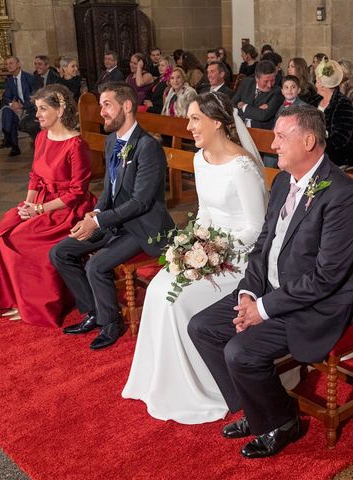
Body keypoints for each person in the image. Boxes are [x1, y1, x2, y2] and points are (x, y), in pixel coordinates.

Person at [187, 105, 353, 459]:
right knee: (202, 327)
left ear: (309, 140)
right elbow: (263, 244)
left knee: (238, 351)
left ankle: (284, 421)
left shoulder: (343, 196)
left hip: (315, 304)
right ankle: (258, 414)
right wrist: (248, 293)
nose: (274, 144)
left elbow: (327, 277)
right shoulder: (283, 180)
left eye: (282, 137)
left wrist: (264, 310)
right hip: (268, 289)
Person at [122, 92, 268, 423]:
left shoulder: (242, 167)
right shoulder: (200, 158)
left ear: (217, 122)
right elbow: (203, 211)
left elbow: (256, 228)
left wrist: (216, 252)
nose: (188, 126)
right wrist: (191, 244)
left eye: (195, 119)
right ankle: (159, 382)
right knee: (159, 289)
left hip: (238, 260)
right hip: (206, 251)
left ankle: (204, 386)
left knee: (177, 301)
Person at [50, 82, 174, 350]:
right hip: (114, 221)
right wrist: (96, 212)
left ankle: (111, 324)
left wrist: (97, 221)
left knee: (96, 266)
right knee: (60, 253)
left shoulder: (147, 147)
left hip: (142, 227)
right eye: (101, 105)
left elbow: (140, 202)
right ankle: (95, 312)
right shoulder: (111, 142)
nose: (101, 112)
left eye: (107, 105)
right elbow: (110, 188)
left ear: (127, 106)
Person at [0, 84, 97, 326]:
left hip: (67, 210)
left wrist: (39, 210)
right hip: (40, 202)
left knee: (21, 242)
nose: (36, 115)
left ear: (59, 111)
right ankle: (15, 297)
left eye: (42, 109)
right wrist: (27, 206)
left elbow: (77, 193)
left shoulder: (76, 145)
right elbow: (35, 176)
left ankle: (35, 305)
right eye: (36, 108)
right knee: (4, 230)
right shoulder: (41, 137)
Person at [314, 58, 353, 168]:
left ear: (323, 85)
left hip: (340, 157)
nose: (315, 84)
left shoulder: (343, 104)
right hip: (318, 153)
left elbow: (340, 139)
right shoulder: (314, 101)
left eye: (317, 81)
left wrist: (316, 146)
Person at [0, 56, 35, 157]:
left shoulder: (30, 78)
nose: (8, 66)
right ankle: (9, 139)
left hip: (30, 109)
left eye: (11, 63)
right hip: (17, 109)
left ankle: (10, 141)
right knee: (7, 111)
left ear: (18, 64)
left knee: (9, 116)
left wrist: (22, 105)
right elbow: (5, 97)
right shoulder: (9, 80)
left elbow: (35, 97)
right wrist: (12, 104)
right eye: (6, 64)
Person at [232, 60, 284, 129]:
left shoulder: (277, 91)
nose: (269, 85)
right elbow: (232, 106)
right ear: (257, 78)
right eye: (266, 81)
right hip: (239, 129)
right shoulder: (246, 83)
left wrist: (244, 107)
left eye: (273, 80)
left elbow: (263, 115)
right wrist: (256, 110)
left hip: (260, 133)